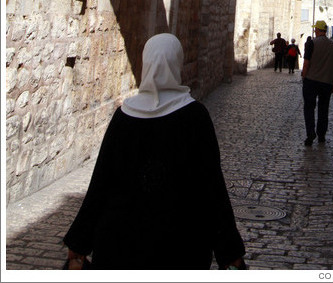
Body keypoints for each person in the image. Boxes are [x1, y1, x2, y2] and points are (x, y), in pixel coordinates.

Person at [63, 33, 246, 270]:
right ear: (177, 64)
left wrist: (79, 242)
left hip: (119, 245)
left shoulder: (123, 116)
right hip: (179, 245)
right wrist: (229, 251)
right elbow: (211, 187)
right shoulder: (195, 117)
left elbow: (101, 183)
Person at [301, 20, 333, 146]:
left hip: (311, 81)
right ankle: (321, 134)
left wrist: (304, 76)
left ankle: (310, 133)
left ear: (317, 30)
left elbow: (306, 63)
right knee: (324, 108)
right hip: (326, 82)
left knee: (309, 108)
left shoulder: (311, 43)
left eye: (315, 30)